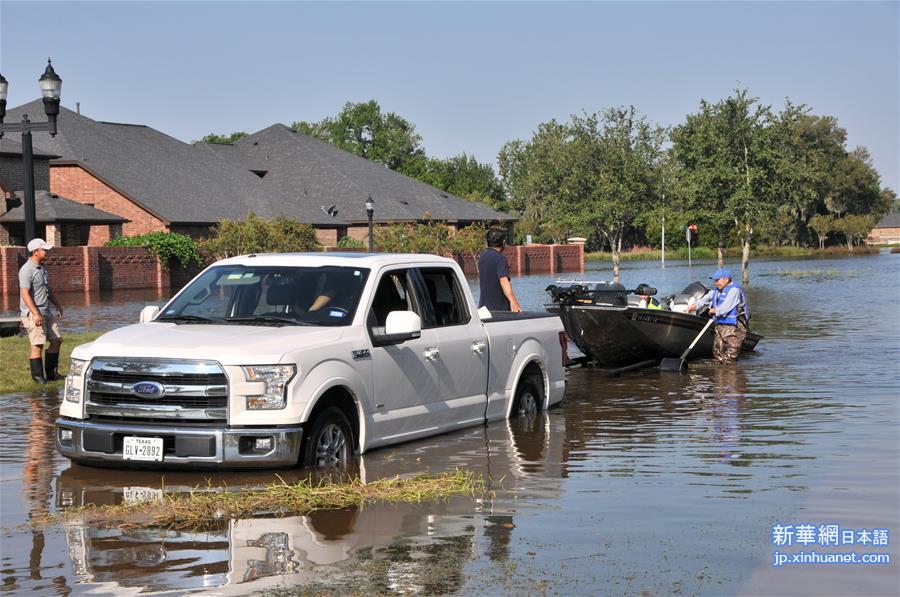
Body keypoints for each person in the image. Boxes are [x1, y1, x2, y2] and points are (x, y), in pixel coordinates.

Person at [19, 238, 64, 384]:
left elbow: (47, 290)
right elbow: (25, 294)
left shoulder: (43, 268)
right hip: (33, 313)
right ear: (36, 251)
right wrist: (36, 314)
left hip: (47, 311)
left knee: (57, 340)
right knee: (37, 344)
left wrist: (57, 304)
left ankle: (52, 374)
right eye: (44, 249)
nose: (47, 252)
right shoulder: (26, 270)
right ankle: (38, 378)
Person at [688, 268, 749, 364]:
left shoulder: (734, 290)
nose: (715, 283)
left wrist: (712, 310)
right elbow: (703, 300)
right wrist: (691, 308)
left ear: (726, 279)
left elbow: (725, 308)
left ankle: (732, 377)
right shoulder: (715, 291)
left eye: (717, 280)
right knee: (718, 354)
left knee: (729, 356)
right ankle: (720, 377)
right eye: (714, 280)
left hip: (734, 327)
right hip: (720, 327)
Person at [477, 229, 521, 313]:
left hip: (483, 310)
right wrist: (514, 303)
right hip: (499, 311)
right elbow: (504, 281)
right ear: (503, 242)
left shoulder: (482, 257)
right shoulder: (501, 259)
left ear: (487, 242)